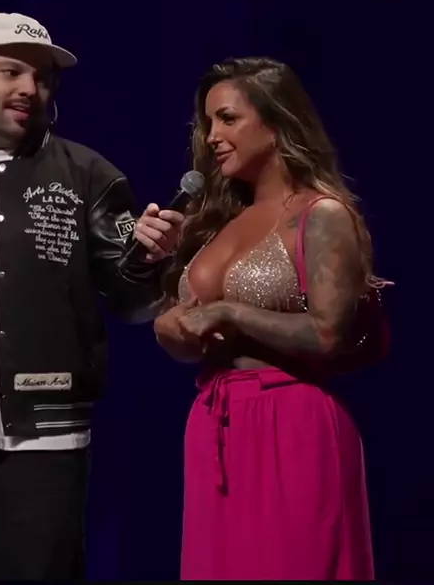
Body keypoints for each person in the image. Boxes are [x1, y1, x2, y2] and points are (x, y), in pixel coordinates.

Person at [0, 12, 184, 582]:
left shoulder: (86, 176)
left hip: (40, 450)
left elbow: (133, 301)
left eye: (42, 77)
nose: (29, 88)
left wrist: (149, 259)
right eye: (11, 72)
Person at [154, 56, 392, 581]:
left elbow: (328, 334)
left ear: (277, 121)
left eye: (228, 118)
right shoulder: (216, 221)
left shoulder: (320, 215)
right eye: (208, 122)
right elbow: (193, 329)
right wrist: (170, 329)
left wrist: (230, 312)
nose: (212, 137)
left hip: (292, 425)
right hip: (215, 424)